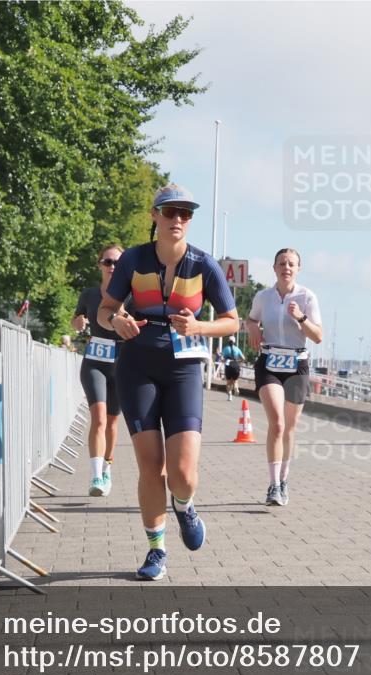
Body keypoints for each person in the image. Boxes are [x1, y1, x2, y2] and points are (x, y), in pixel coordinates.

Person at [98, 184, 238, 581]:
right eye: (170, 212)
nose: (178, 219)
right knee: (150, 465)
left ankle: (185, 505)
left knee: (183, 473)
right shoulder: (134, 260)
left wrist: (199, 325)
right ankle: (156, 550)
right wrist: (118, 320)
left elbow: (232, 320)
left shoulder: (204, 265)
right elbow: (106, 311)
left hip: (184, 368)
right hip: (137, 366)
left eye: (186, 213)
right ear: (154, 215)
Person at [246, 248, 323, 506]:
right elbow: (251, 319)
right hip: (269, 363)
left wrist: (300, 317)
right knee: (276, 424)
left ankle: (284, 479)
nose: (286, 267)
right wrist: (253, 329)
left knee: (289, 428)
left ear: (298, 269)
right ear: (274, 268)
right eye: (282, 263)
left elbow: (318, 336)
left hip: (297, 365)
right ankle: (273, 485)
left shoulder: (307, 297)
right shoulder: (263, 296)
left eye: (291, 264)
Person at [72, 244, 125, 498]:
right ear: (100, 265)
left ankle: (106, 469)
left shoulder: (132, 296)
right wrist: (78, 322)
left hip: (122, 363)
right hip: (94, 360)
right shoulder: (89, 294)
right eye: (108, 262)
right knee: (99, 418)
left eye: (117, 262)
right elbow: (76, 320)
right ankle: (95, 476)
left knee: (113, 423)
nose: (112, 266)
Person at [221, 335, 245, 401]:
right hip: (235, 365)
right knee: (235, 381)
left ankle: (230, 396)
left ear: (228, 341)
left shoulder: (225, 348)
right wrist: (238, 362)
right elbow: (243, 358)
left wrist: (224, 360)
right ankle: (236, 388)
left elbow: (222, 358)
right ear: (234, 342)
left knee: (228, 382)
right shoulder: (237, 349)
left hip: (228, 365)